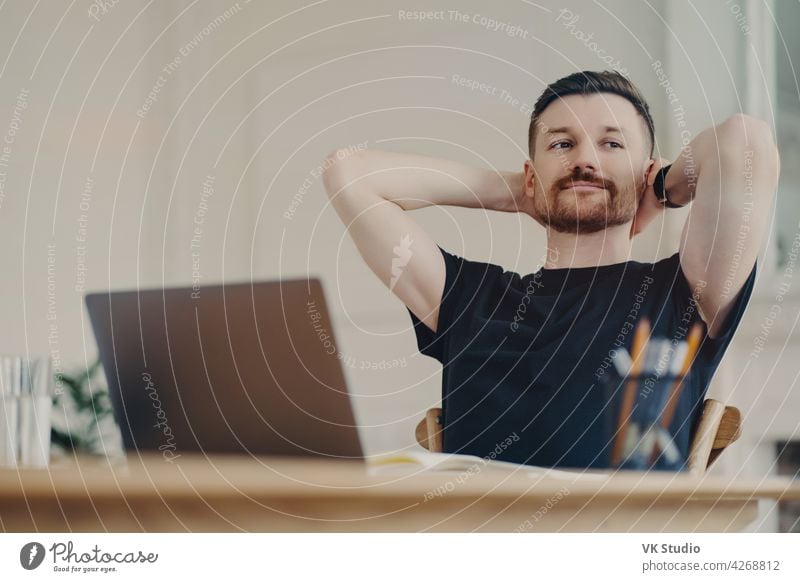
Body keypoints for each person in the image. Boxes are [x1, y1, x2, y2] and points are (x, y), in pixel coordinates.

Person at [322, 70, 780, 469]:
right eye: (562, 144)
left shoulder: (682, 294)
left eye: (611, 143)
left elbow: (745, 143)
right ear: (529, 174)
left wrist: (660, 188)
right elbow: (348, 175)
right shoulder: (467, 297)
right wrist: (521, 193)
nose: (584, 160)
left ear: (643, 172)